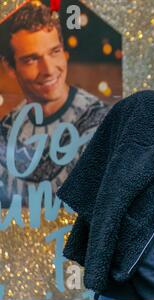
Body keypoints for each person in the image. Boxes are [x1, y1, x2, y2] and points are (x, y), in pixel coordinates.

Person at [0, 1, 111, 207]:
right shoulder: (5, 133)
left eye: (54, 51)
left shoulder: (105, 123)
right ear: (10, 67)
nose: (49, 69)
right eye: (31, 59)